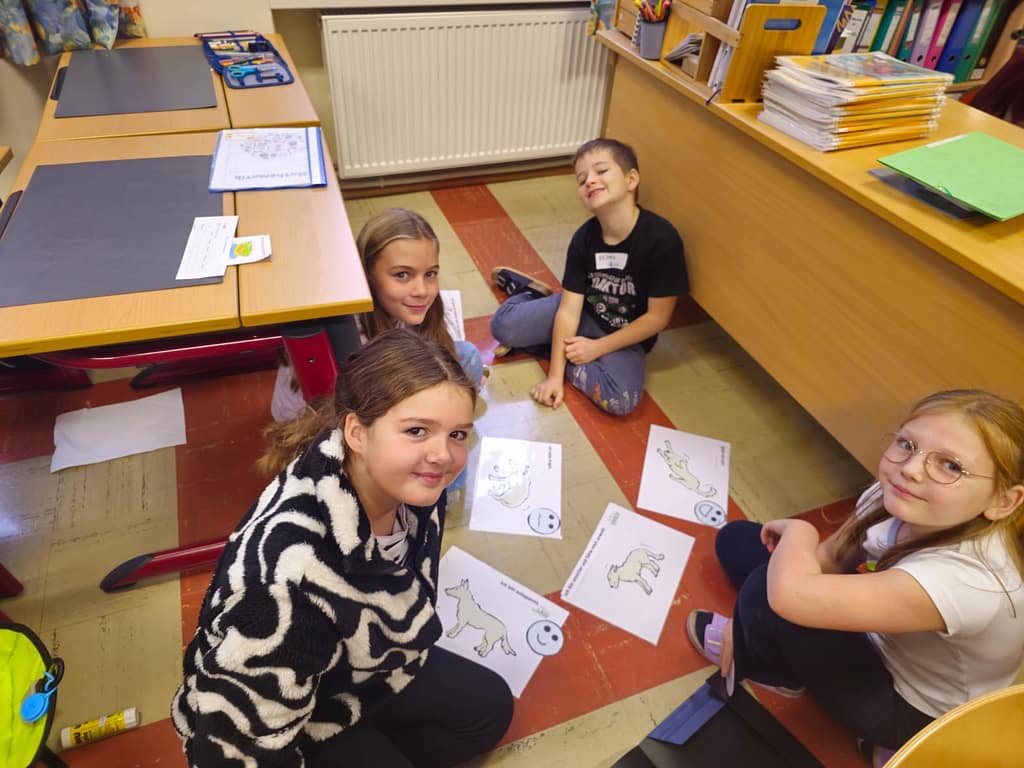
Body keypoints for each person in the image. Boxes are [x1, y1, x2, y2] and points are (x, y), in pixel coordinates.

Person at [173, 329, 514, 768]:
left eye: (458, 434)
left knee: (490, 709)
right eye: (417, 431)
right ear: (356, 432)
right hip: (277, 716)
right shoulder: (289, 582)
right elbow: (228, 751)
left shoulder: (410, 485)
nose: (443, 455)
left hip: (350, 669)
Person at [686, 389, 1024, 765]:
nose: (911, 468)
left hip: (912, 705)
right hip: (887, 632)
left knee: (765, 590)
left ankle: (777, 670)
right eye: (907, 444)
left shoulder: (968, 581)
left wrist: (799, 534)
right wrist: (756, 616)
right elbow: (832, 557)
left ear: (1003, 501)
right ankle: (765, 637)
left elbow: (791, 595)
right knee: (738, 542)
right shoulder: (900, 493)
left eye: (950, 466)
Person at [488, 138, 688, 416]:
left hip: (625, 336)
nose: (590, 181)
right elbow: (569, 311)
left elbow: (657, 319)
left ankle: (551, 344)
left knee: (621, 401)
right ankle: (530, 293)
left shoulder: (662, 240)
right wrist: (554, 377)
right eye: (582, 180)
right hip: (583, 312)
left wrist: (597, 348)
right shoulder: (583, 239)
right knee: (503, 327)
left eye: (601, 171)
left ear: (631, 180)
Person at [272, 207, 485, 423]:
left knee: (468, 357)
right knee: (460, 372)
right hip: (321, 419)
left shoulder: (399, 307)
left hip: (374, 393)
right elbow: (357, 415)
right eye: (402, 275)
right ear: (368, 275)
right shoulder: (350, 333)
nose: (422, 290)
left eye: (430, 273)